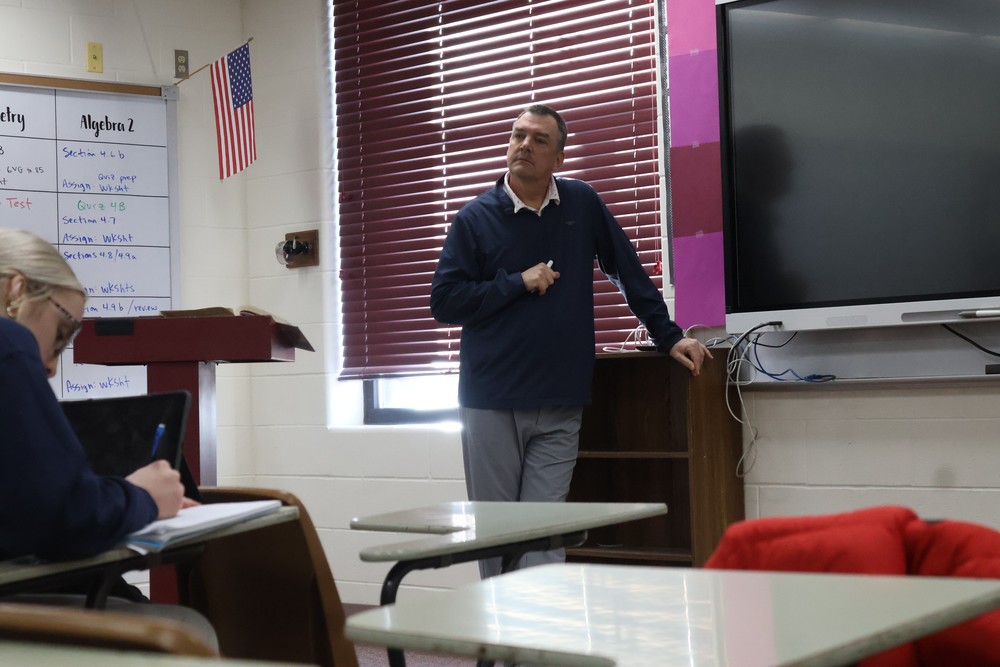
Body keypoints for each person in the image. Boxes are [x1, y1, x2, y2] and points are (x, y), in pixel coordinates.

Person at [430, 104, 711, 578]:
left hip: (561, 398)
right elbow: (444, 301)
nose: (524, 145)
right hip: (492, 401)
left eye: (539, 139)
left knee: (545, 538)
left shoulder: (581, 203)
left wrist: (669, 337)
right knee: (496, 538)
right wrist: (516, 282)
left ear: (559, 158)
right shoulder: (475, 218)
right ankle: (499, 628)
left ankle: (541, 628)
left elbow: (626, 270)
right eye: (518, 135)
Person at [0, 227, 216, 648]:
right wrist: (143, 497)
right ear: (17, 290)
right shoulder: (9, 342)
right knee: (187, 629)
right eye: (62, 332)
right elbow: (66, 516)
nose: (52, 367)